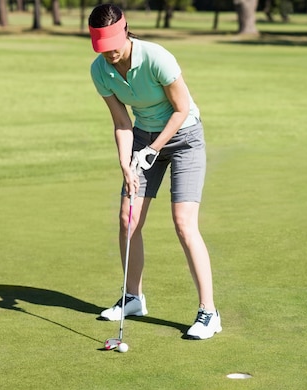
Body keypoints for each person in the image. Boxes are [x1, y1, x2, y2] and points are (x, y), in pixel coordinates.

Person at [88, 4, 221, 340]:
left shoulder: (157, 57)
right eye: (102, 51)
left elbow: (182, 108)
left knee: (183, 223)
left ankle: (209, 313)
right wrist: (127, 163)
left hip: (184, 138)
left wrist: (152, 149)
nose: (110, 56)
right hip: (143, 138)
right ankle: (133, 298)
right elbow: (121, 122)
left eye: (113, 48)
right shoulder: (100, 70)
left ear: (126, 32)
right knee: (127, 219)